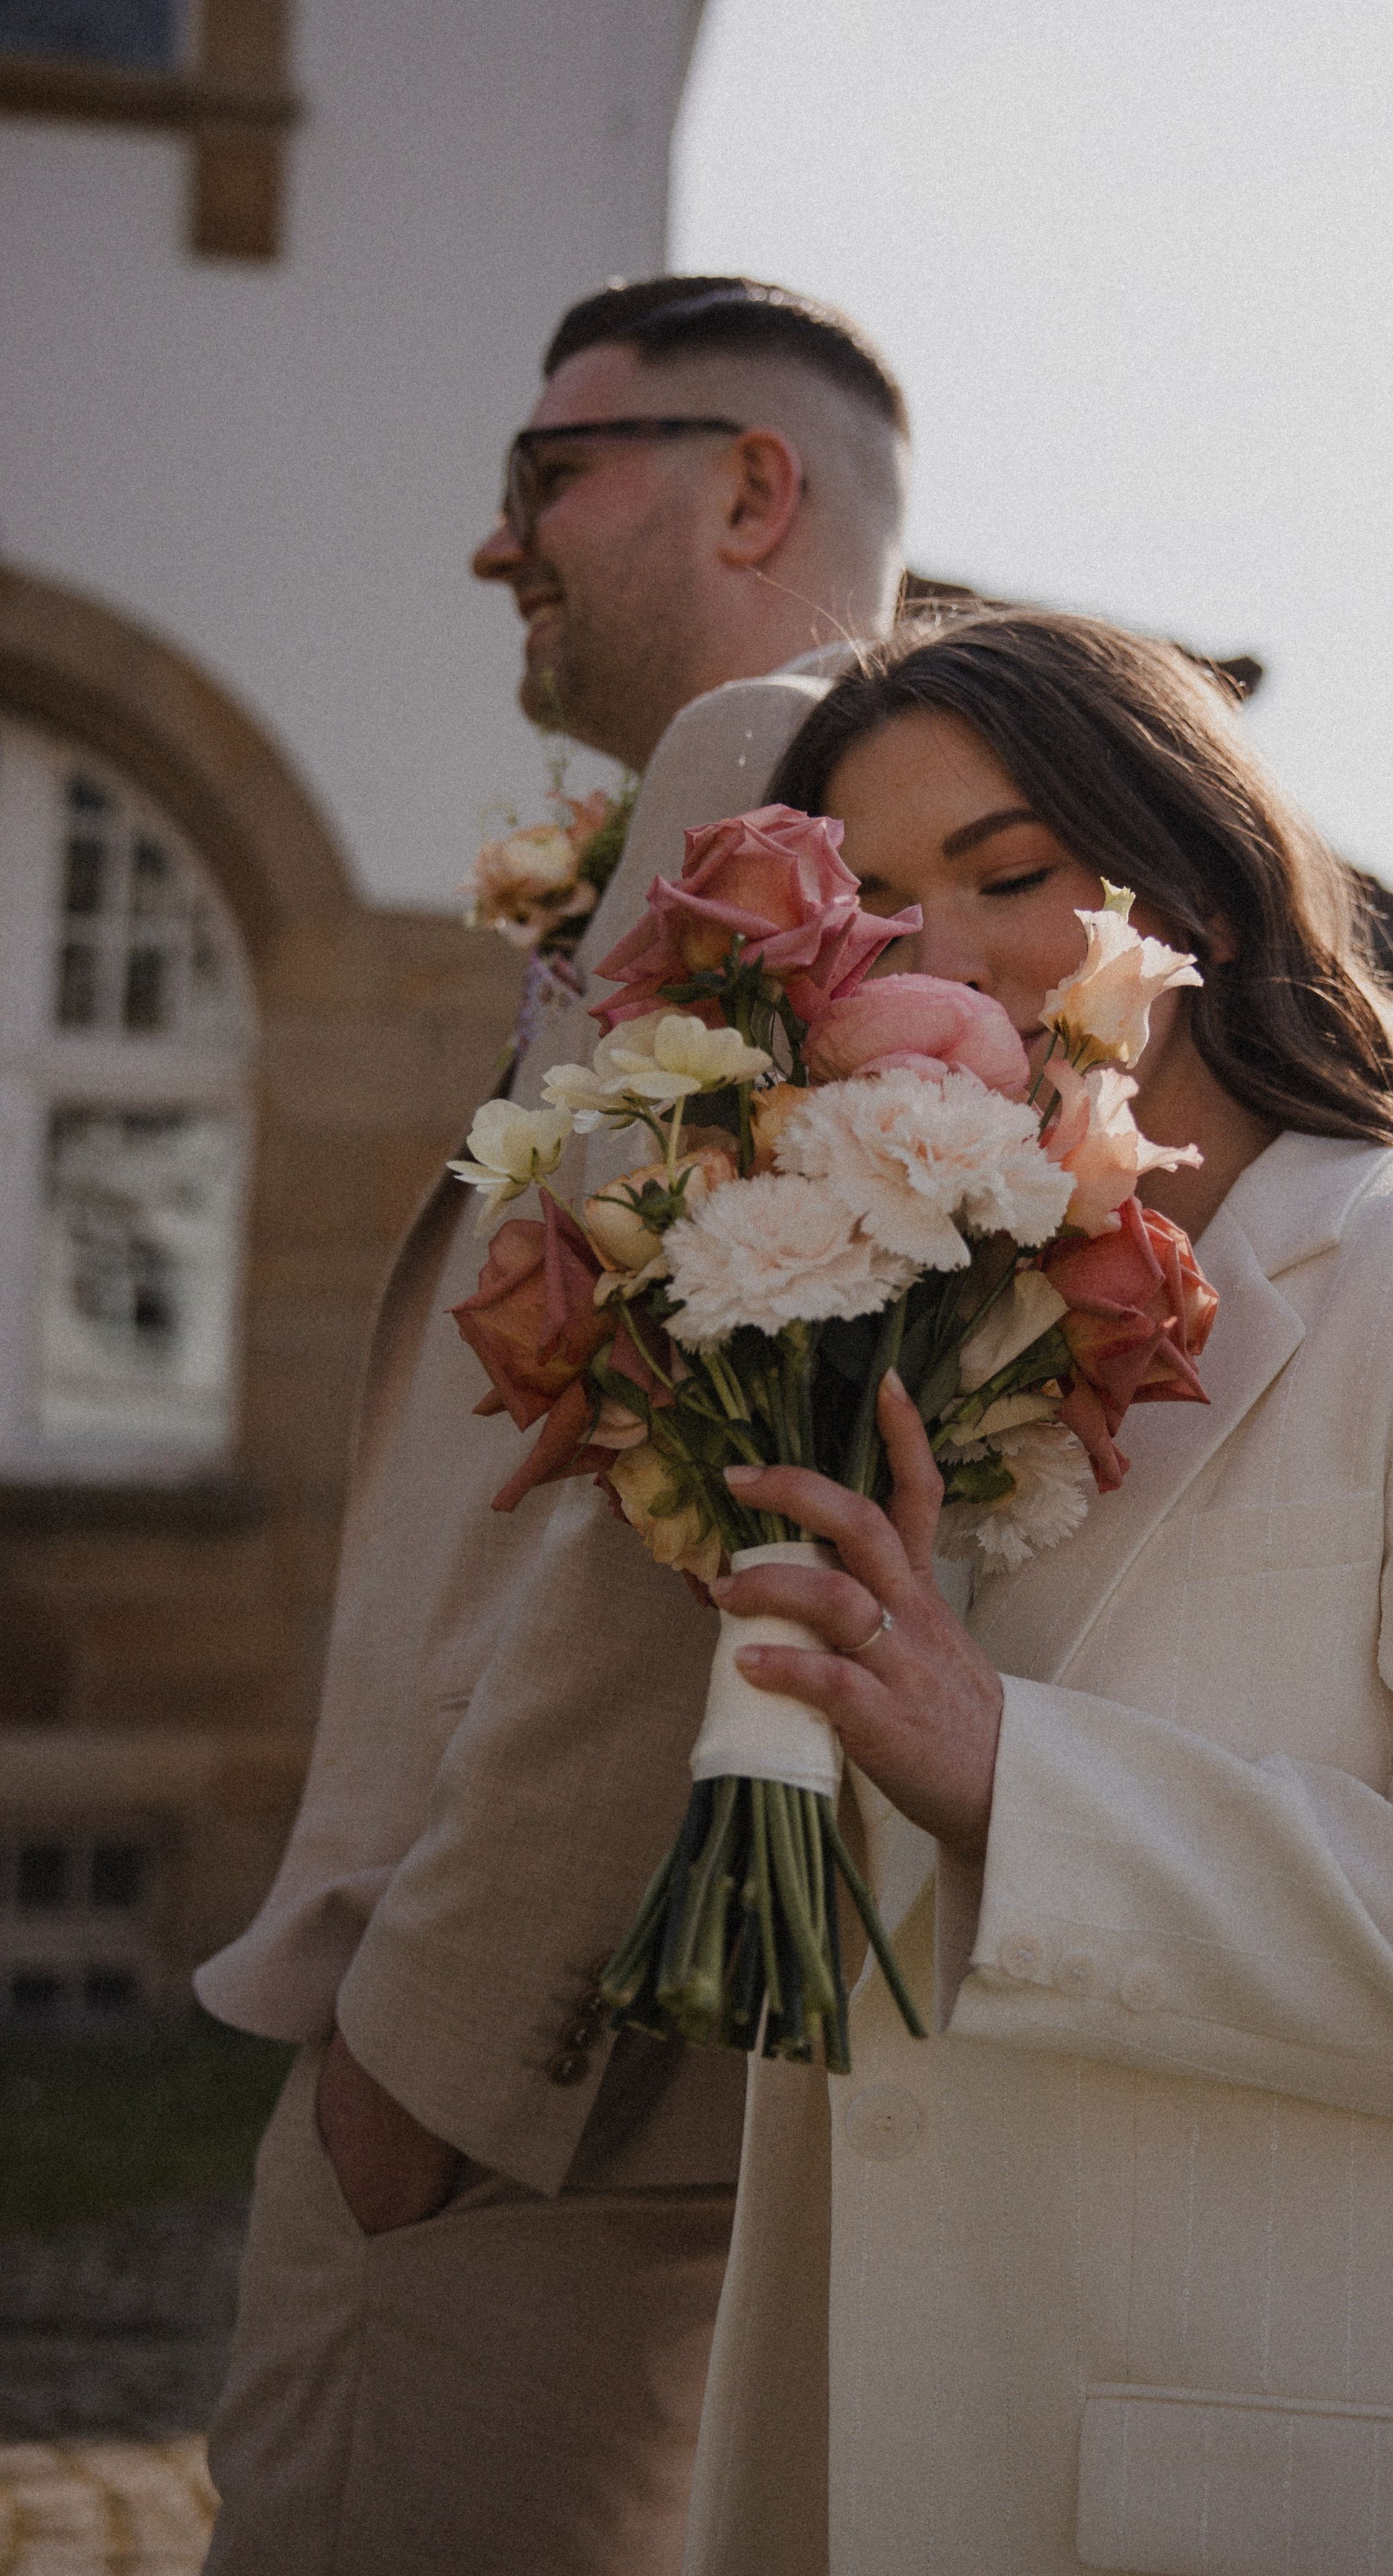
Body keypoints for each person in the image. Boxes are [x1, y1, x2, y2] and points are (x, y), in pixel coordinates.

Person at [675, 609, 1393, 2576]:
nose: (944, 966)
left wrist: (1015, 1772)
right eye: (869, 916)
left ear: (1214, 895)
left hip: (1311, 2496)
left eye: (1012, 877)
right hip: (892, 2473)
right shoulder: (879, 1354)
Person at [194, 276, 910, 2576]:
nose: (495, 546)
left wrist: (439, 2062)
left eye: (545, 479)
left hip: (521, 2112)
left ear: (754, 486)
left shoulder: (770, 773)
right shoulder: (871, 795)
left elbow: (671, 1483)